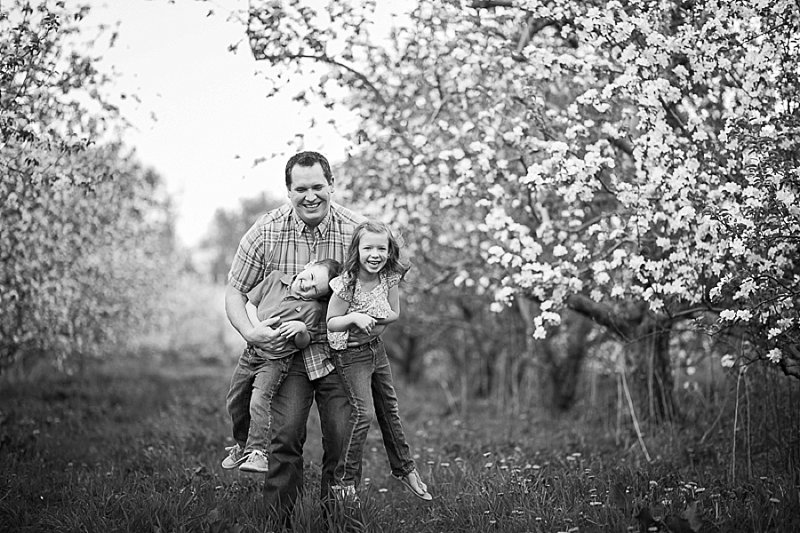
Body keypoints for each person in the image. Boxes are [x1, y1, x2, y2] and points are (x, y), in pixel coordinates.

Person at [224, 151, 373, 521]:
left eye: (318, 187)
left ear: (332, 185)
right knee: (285, 436)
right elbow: (235, 291)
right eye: (301, 188)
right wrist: (250, 331)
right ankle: (279, 523)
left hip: (340, 354)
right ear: (288, 190)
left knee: (341, 438)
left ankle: (337, 522)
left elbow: (379, 287)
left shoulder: (357, 231)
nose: (311, 196)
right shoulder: (266, 230)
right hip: (286, 355)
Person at [326, 220, 432, 501]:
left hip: (375, 349)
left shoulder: (388, 277)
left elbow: (395, 313)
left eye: (381, 248)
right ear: (356, 249)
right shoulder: (347, 283)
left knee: (389, 408)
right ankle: (344, 482)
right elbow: (331, 322)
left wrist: (376, 325)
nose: (375, 254)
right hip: (350, 354)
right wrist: (354, 318)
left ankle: (404, 468)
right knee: (364, 413)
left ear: (389, 251)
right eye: (368, 247)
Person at [222, 259, 342, 474]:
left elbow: (303, 343)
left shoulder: (312, 309)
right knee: (235, 400)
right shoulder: (275, 279)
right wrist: (254, 331)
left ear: (319, 298)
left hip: (276, 362)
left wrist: (302, 329)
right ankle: (242, 445)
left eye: (315, 290)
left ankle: (257, 453)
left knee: (259, 400)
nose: (307, 286)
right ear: (309, 265)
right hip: (250, 354)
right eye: (311, 277)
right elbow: (250, 304)